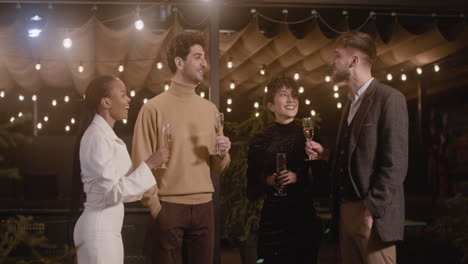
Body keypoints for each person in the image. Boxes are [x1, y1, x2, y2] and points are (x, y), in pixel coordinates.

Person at [306, 31, 408, 264]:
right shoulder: (350, 102)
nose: (331, 62)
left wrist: (372, 211)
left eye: (337, 55)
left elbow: (395, 165)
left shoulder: (390, 98)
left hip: (372, 215)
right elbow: (355, 160)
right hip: (345, 212)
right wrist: (327, 155)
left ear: (353, 61)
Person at [131, 32, 231, 264]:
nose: (204, 63)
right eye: (197, 57)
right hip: (168, 208)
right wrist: (156, 208)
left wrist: (222, 153)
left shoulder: (210, 109)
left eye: (204, 57)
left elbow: (218, 166)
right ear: (179, 62)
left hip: (205, 207)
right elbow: (140, 164)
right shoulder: (153, 109)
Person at [73, 75, 169, 264]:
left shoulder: (106, 136)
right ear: (106, 102)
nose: (129, 100)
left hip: (106, 231)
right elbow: (112, 193)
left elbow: (126, 192)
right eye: (123, 94)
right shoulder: (96, 138)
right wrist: (149, 165)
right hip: (99, 232)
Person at [246, 76, 323, 264]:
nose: (291, 99)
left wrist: (298, 177)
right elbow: (251, 185)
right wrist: (268, 181)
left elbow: (322, 182)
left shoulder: (309, 135)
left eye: (294, 95)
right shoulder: (260, 139)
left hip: (303, 219)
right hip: (273, 221)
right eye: (283, 94)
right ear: (271, 105)